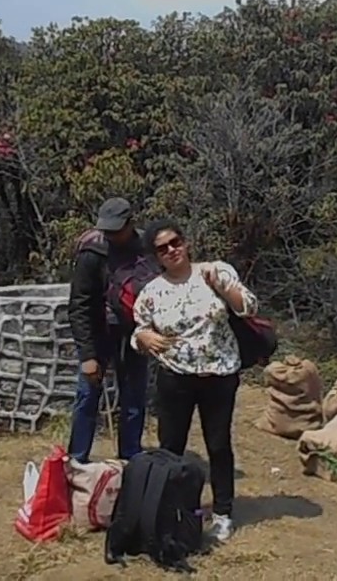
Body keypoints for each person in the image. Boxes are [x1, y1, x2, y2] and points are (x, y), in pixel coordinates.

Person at [131, 220, 258, 543]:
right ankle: (173, 511)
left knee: (218, 446)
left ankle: (223, 513)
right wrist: (143, 336)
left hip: (219, 375)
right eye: (163, 248)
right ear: (156, 256)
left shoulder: (215, 271)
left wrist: (224, 287)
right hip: (175, 377)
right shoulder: (152, 292)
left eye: (176, 242)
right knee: (171, 449)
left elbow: (248, 307)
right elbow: (138, 331)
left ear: (186, 243)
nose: (172, 250)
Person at [66, 197, 150, 463]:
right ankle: (77, 462)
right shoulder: (92, 252)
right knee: (87, 397)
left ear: (130, 223)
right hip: (99, 332)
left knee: (134, 399)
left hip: (135, 333)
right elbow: (79, 304)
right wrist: (87, 356)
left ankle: (131, 461)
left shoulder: (146, 247)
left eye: (117, 229)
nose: (111, 235)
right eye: (107, 230)